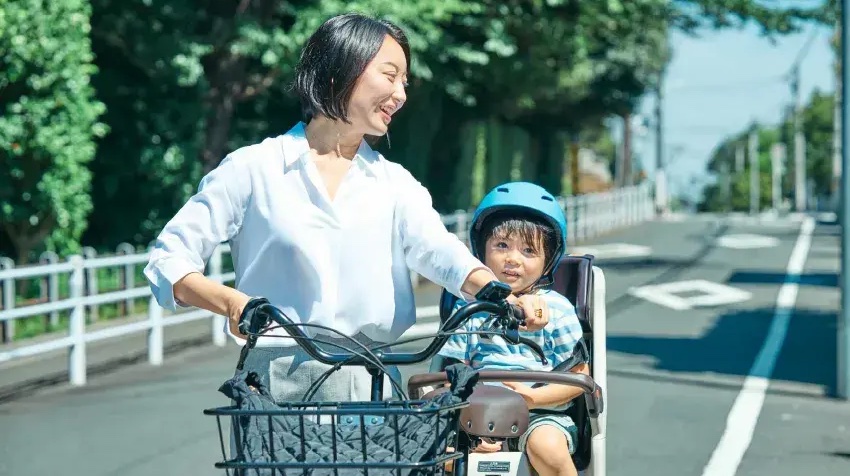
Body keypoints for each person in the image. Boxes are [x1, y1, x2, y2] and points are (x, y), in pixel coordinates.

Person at [142, 12, 551, 405]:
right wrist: (233, 303)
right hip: (273, 381)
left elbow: (439, 251)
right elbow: (169, 259)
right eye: (389, 76)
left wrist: (497, 292)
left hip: (374, 376)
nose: (401, 94)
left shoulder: (394, 184)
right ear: (340, 70)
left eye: (405, 82)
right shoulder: (253, 169)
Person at [436, 182, 588, 476]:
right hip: (475, 414)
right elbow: (448, 374)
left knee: (548, 447)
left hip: (541, 415)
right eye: (502, 245)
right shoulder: (469, 308)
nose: (513, 259)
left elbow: (579, 377)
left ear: (549, 263)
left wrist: (532, 399)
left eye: (529, 250)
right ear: (481, 251)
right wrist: (470, 418)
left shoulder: (557, 311)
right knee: (440, 453)